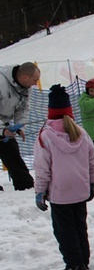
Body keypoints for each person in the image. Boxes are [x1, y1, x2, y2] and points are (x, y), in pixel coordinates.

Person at [33, 85, 94, 270]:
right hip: (80, 189)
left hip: (61, 192)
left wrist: (40, 191)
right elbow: (91, 160)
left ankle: (74, 264)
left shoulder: (46, 136)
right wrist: (92, 183)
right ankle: (83, 260)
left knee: (64, 229)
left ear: (50, 112)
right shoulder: (81, 133)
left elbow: (42, 168)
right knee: (79, 225)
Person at [0, 62, 39, 191]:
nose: (36, 83)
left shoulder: (25, 88)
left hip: (4, 123)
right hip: (2, 126)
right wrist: (2, 130)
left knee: (12, 152)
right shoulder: (1, 82)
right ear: (25, 77)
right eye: (35, 80)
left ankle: (25, 185)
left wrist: (19, 127)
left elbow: (23, 109)